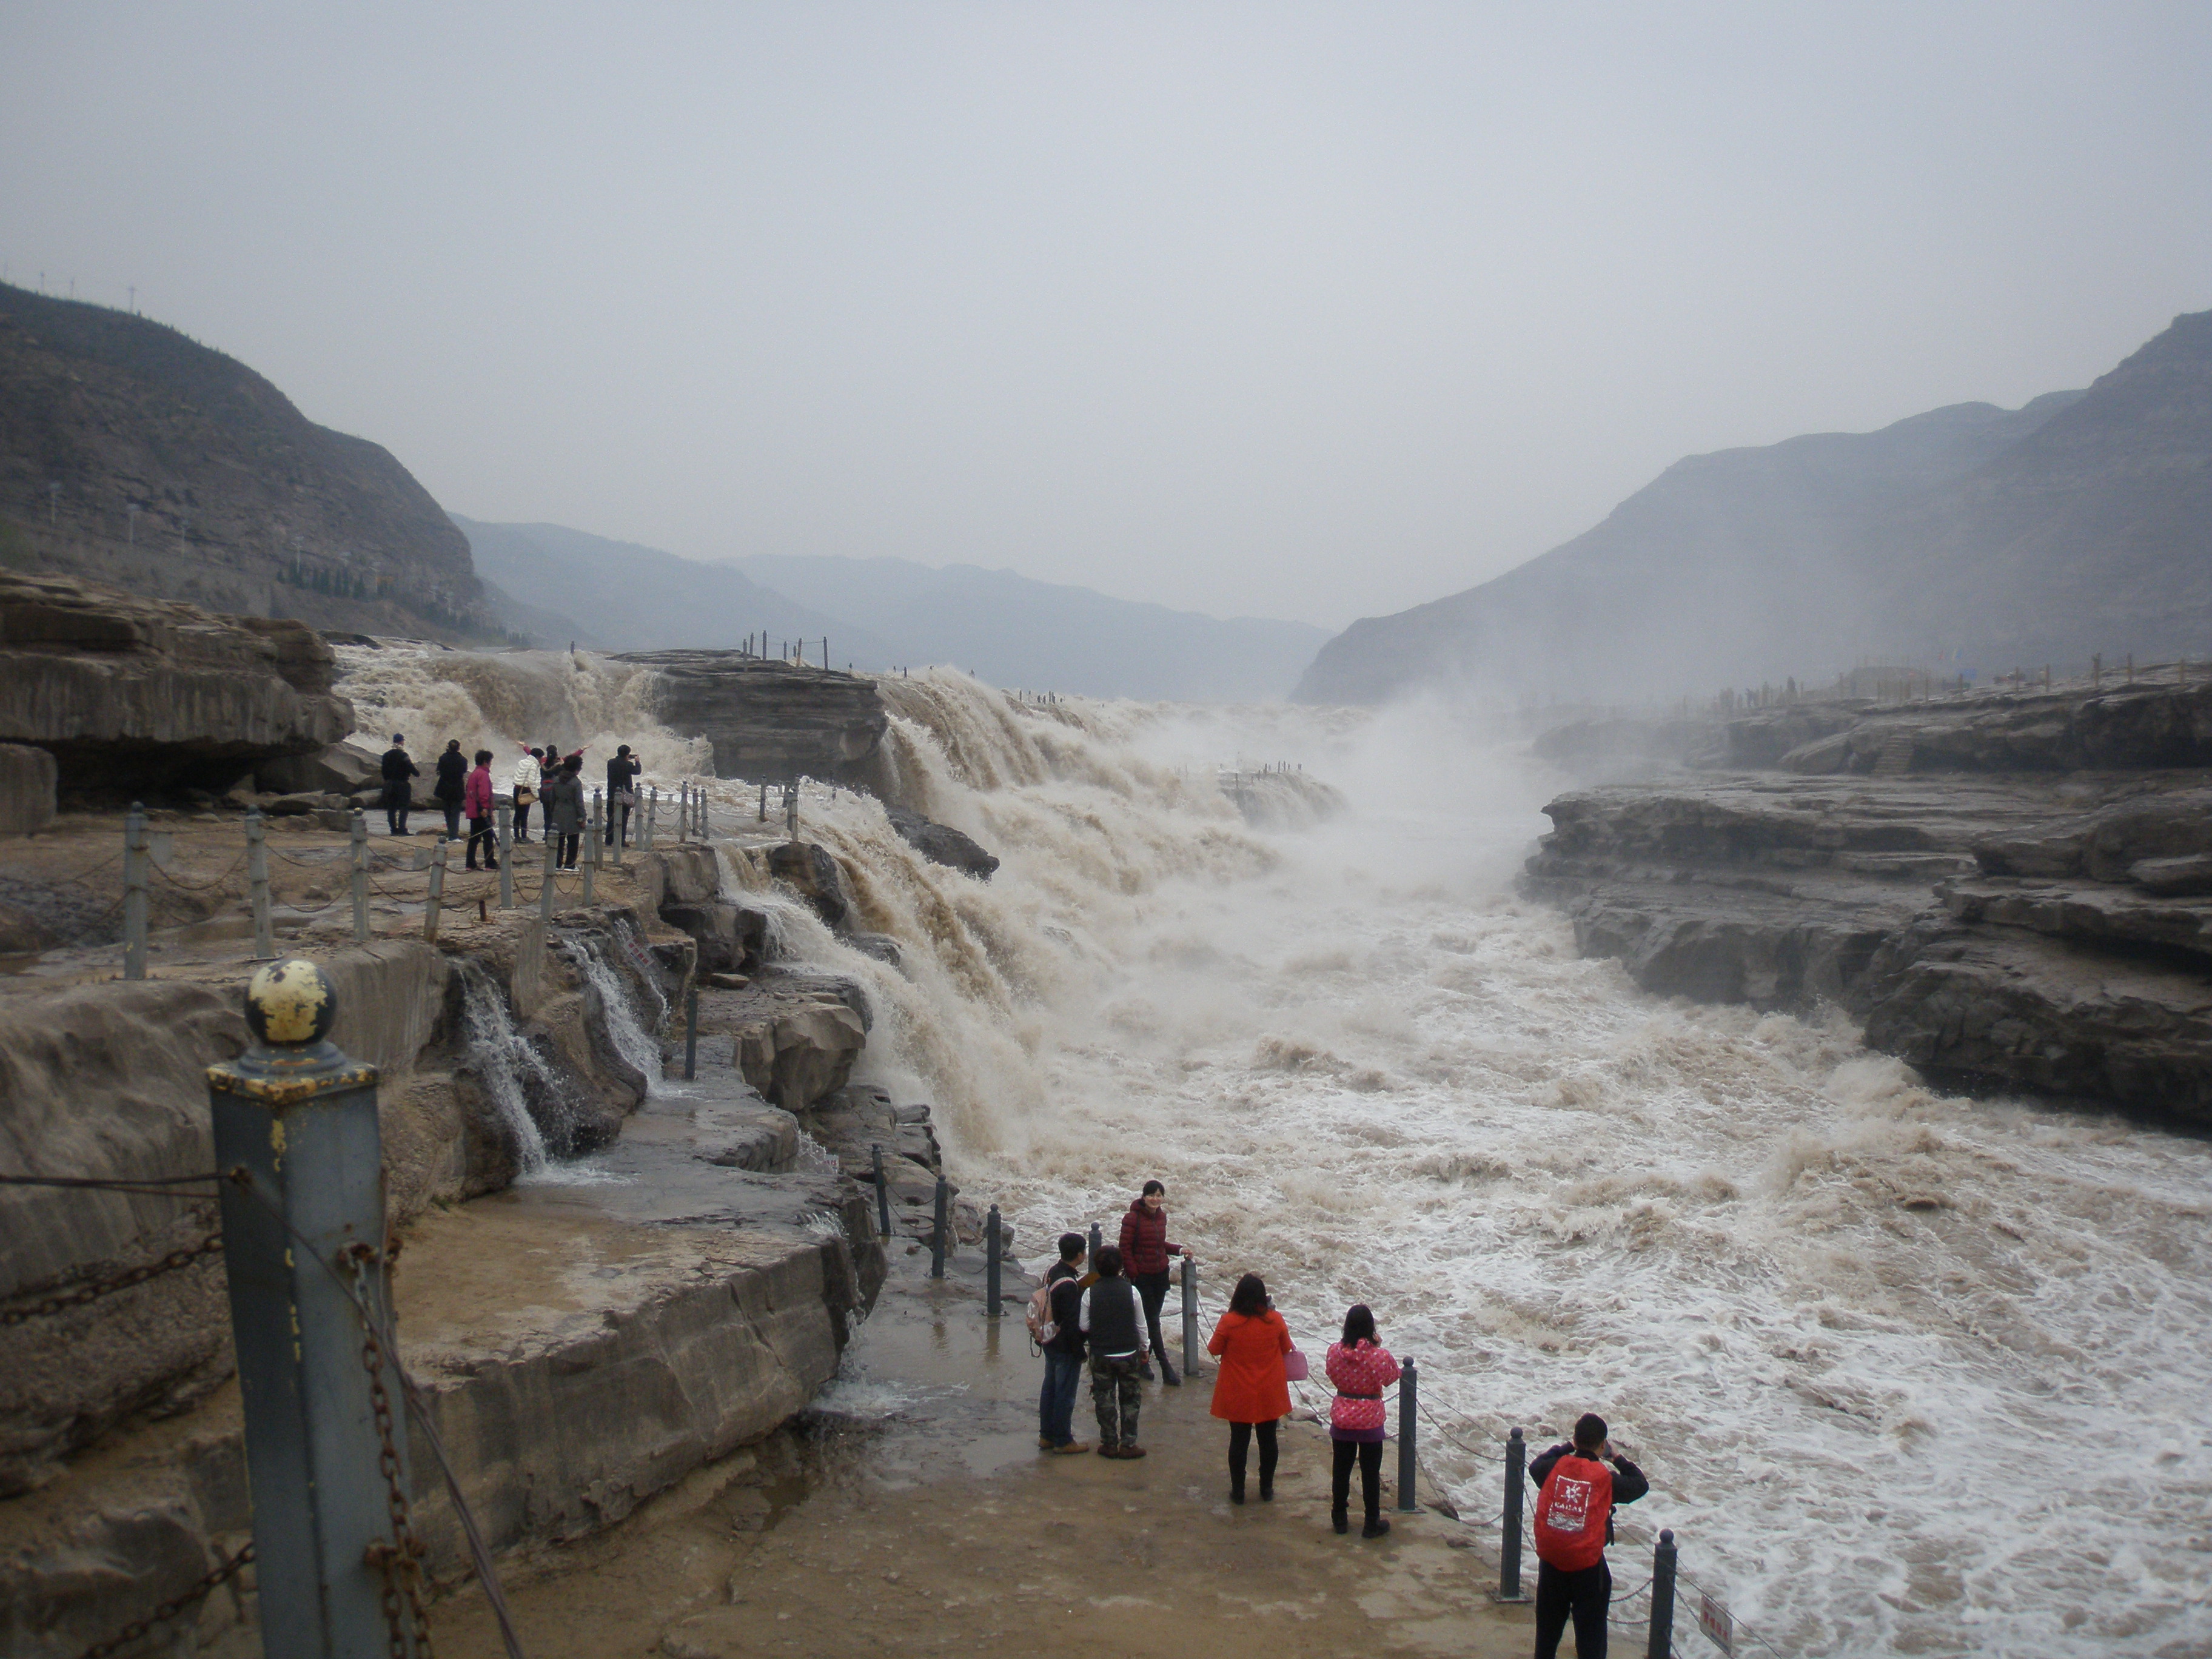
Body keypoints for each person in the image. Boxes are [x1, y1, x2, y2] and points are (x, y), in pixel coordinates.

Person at [1529, 1413, 1651, 1659]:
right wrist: (1616, 1457)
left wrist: (1567, 1447)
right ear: (1602, 1445)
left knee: (1546, 1638)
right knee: (1590, 1641)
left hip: (1552, 1562)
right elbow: (1640, 1484)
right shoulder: (1605, 1478)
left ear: (1575, 1439)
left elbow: (1535, 1466)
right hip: (1587, 1568)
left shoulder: (1554, 1468)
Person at [1206, 1272, 1293, 1504]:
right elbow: (1286, 1348)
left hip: (1239, 1391)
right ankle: (1266, 1488)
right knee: (1268, 1441)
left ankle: (1238, 1491)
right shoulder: (1276, 1320)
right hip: (1268, 1390)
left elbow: (1214, 1349)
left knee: (1239, 1442)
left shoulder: (1229, 1322)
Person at [1324, 1304, 1401, 1538]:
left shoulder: (1334, 1352)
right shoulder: (1379, 1356)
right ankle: (1371, 1522)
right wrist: (1376, 1346)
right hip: (1370, 1421)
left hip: (1343, 1417)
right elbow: (1392, 1376)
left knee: (1341, 1469)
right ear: (1371, 1327)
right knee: (1370, 1473)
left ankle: (1339, 1518)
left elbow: (1331, 1374)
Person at [1118, 1179, 1190, 1385]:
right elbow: (1124, 1249)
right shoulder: (1132, 1219)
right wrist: (1134, 1273)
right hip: (1142, 1277)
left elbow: (1159, 1245)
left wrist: (1178, 1250)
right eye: (1151, 1195)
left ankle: (1142, 1362)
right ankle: (1165, 1366)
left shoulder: (1162, 1218)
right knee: (1152, 1321)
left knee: (1152, 1320)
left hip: (1160, 1274)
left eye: (1159, 1195)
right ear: (1143, 1196)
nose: (1155, 1199)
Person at [1079, 1244, 1147, 1459]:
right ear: (1121, 1267)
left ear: (1097, 1267)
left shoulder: (1090, 1293)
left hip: (1101, 1353)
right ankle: (1128, 1444)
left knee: (1104, 1399)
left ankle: (1109, 1443)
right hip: (1128, 1352)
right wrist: (1145, 1348)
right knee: (1131, 1399)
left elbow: (1083, 1326)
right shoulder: (1132, 1291)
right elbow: (1141, 1325)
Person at [1036, 1233, 1091, 1456]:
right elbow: (1070, 1323)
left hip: (1049, 1339)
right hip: (1064, 1345)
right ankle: (1063, 1440)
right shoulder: (1069, 1284)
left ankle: (1046, 1435)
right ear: (1080, 1255)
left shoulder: (1052, 1271)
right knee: (1065, 1394)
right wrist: (1079, 1351)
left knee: (1049, 1388)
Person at [541, 754, 586, 871]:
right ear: (576, 770)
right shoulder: (576, 783)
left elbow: (552, 799)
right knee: (573, 841)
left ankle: (557, 864)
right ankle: (570, 865)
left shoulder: (556, 780)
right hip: (572, 813)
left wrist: (553, 812)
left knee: (559, 840)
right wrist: (582, 817)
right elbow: (579, 803)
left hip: (558, 811)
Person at [463, 749, 499, 872]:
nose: (491, 764)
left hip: (473, 811)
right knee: (488, 838)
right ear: (485, 761)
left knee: (474, 838)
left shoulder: (474, 774)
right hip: (481, 812)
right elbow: (484, 794)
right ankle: (490, 863)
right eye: (490, 761)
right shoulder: (483, 774)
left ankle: (470, 863)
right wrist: (486, 809)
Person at [379, 734, 418, 836]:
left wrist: (387, 780)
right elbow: (411, 768)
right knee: (404, 807)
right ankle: (402, 829)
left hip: (390, 784)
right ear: (401, 742)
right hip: (402, 784)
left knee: (391, 807)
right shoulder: (403, 755)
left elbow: (383, 770)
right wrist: (417, 773)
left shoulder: (386, 755)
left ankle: (393, 829)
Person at [433, 739, 468, 841]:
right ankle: (454, 835)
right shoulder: (462, 760)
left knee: (447, 812)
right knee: (455, 813)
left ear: (448, 747)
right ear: (458, 748)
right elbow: (464, 771)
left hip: (444, 787)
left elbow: (439, 771)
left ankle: (450, 833)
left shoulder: (443, 758)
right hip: (457, 787)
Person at [605, 744, 640, 846]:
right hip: (625, 795)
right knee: (623, 818)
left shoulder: (610, 763)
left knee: (611, 817)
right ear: (627, 754)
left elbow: (620, 762)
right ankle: (621, 840)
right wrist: (637, 761)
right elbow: (637, 771)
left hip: (612, 793)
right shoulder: (628, 765)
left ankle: (609, 840)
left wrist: (626, 757)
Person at [511, 746, 541, 842]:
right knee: (524, 815)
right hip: (525, 791)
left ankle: (517, 836)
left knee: (517, 814)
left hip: (516, 789)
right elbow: (531, 782)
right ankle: (524, 837)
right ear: (537, 757)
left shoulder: (522, 762)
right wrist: (536, 795)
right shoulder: (533, 766)